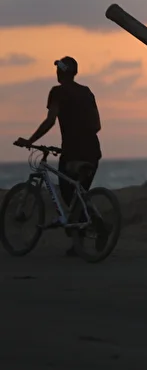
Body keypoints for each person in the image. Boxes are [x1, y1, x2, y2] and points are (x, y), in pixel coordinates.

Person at [15, 56, 103, 256]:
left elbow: (50, 121)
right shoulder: (86, 92)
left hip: (73, 152)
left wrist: (30, 141)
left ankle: (88, 231)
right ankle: (85, 237)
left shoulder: (57, 92)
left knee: (68, 194)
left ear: (60, 73)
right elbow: (97, 125)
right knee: (79, 196)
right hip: (92, 151)